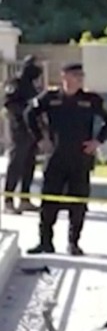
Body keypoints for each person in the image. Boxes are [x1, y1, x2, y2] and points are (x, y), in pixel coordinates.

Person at [24, 62, 107, 256]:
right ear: (64, 76)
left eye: (81, 75)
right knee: (49, 202)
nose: (80, 79)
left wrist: (98, 141)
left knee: (78, 203)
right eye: (75, 75)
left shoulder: (91, 99)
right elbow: (29, 114)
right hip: (55, 157)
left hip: (80, 159)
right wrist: (40, 139)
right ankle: (45, 242)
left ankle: (74, 243)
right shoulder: (50, 98)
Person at [3, 55, 44, 214]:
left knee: (29, 164)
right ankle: (8, 200)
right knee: (16, 164)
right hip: (18, 129)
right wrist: (26, 112)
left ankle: (24, 199)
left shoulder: (32, 85)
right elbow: (9, 103)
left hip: (32, 130)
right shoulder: (15, 83)